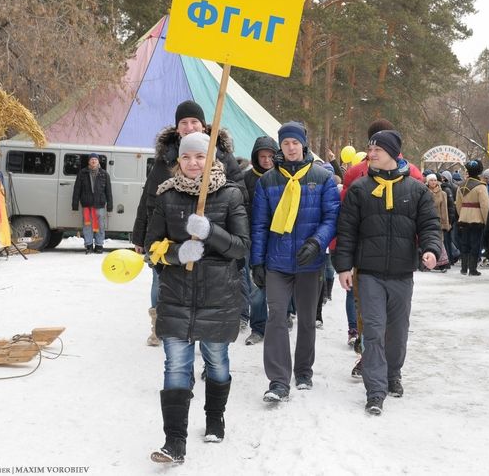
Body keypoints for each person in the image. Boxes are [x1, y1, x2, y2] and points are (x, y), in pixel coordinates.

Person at [146, 132, 249, 464]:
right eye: (187, 157)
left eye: (200, 157)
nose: (193, 163)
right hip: (176, 293)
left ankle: (215, 417)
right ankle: (174, 441)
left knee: (216, 362)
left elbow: (241, 247)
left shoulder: (231, 195)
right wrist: (177, 252)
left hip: (218, 294)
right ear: (179, 161)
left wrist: (211, 233)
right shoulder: (166, 195)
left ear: (212, 160)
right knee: (176, 365)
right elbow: (152, 248)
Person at [334, 130, 442, 415]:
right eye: (370, 149)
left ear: (392, 153)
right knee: (373, 330)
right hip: (368, 273)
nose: (371, 154)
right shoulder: (359, 188)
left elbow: (430, 226)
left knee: (398, 331)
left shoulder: (416, 190)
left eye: (377, 149)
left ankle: (393, 373)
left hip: (402, 274)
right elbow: (347, 232)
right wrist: (343, 266)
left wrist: (430, 249)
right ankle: (375, 390)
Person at [132, 100, 243, 347]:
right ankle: (160, 324)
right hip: (169, 235)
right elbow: (149, 196)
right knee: (160, 280)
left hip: (211, 236)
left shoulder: (222, 154)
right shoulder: (166, 157)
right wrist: (140, 236)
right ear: (177, 127)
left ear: (203, 126)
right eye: (184, 123)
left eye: (194, 122)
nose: (190, 126)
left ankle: (205, 330)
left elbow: (239, 192)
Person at [250, 121, 340, 402]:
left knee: (306, 319)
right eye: (285, 143)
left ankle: (303, 370)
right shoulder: (268, 181)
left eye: (294, 142)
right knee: (276, 316)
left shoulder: (322, 177)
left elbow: (331, 217)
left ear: (304, 144)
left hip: (310, 262)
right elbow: (260, 224)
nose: (290, 148)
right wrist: (257, 262)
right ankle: (278, 380)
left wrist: (316, 243)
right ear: (281, 146)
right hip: (277, 262)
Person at [242, 136, 280, 346]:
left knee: (280, 285)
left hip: (277, 238)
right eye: (262, 156)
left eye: (270, 156)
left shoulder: (282, 177)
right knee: (256, 285)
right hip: (251, 238)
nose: (266, 160)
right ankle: (258, 327)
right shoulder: (246, 178)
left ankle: (280, 322)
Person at [71, 153, 112, 254]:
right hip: (87, 205)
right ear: (89, 161)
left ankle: (99, 245)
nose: (93, 161)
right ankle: (88, 245)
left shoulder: (104, 174)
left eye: (95, 159)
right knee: (87, 226)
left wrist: (110, 205)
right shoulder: (82, 173)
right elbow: (77, 189)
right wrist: (75, 204)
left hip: (100, 205)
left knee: (100, 226)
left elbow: (108, 191)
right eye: (92, 159)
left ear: (98, 162)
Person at [455, 160, 489, 276]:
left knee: (465, 243)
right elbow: (485, 205)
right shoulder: (481, 186)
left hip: (464, 217)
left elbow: (458, 204)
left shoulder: (461, 185)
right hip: (477, 218)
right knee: (475, 243)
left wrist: (462, 215)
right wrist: (486, 220)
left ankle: (464, 268)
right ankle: (472, 269)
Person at [426, 173, 451, 271]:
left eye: (435, 180)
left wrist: (445, 223)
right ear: (427, 182)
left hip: (438, 221)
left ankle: (441, 263)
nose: (433, 182)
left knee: (439, 242)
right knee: (427, 241)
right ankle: (427, 263)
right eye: (431, 180)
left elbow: (444, 209)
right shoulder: (423, 192)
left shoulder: (442, 193)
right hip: (426, 220)